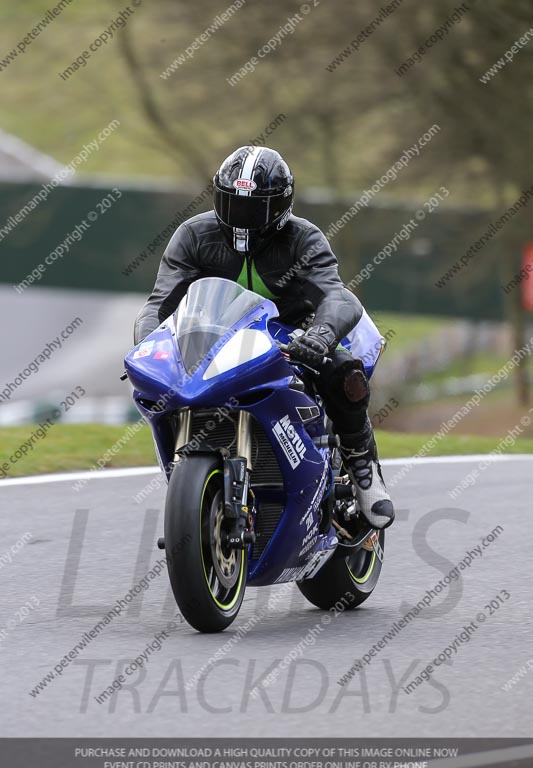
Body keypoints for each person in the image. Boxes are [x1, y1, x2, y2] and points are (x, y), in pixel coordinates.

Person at [134, 146, 394, 529]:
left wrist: (320, 337)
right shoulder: (193, 235)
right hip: (215, 337)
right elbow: (160, 303)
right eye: (233, 204)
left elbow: (338, 295)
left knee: (345, 371)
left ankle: (361, 465)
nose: (242, 217)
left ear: (280, 207)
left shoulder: (303, 238)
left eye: (254, 208)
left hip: (293, 335)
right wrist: (146, 344)